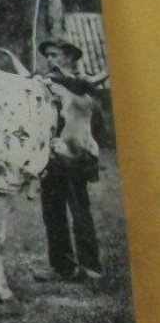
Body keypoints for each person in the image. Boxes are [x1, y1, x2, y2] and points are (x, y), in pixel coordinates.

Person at [32, 38, 103, 282]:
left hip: (75, 159)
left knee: (79, 211)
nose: (49, 60)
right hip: (52, 159)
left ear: (70, 58)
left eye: (55, 55)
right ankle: (63, 267)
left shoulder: (81, 87)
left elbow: (97, 125)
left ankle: (90, 266)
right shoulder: (47, 85)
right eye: (47, 55)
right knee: (52, 213)